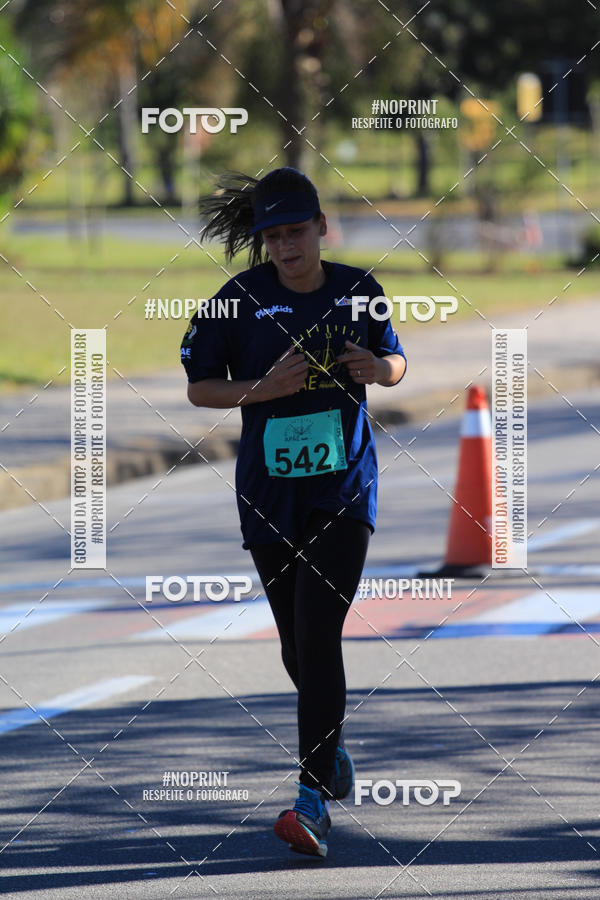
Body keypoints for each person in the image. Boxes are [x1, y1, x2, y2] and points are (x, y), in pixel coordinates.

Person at [181, 167, 406, 858]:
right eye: (272, 237)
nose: (286, 247)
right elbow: (199, 389)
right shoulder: (237, 301)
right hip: (268, 492)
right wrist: (262, 387)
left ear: (321, 229)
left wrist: (376, 368)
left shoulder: (357, 291)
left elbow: (397, 362)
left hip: (342, 490)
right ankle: (331, 754)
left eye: (296, 233)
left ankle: (310, 799)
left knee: (318, 635)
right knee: (292, 644)